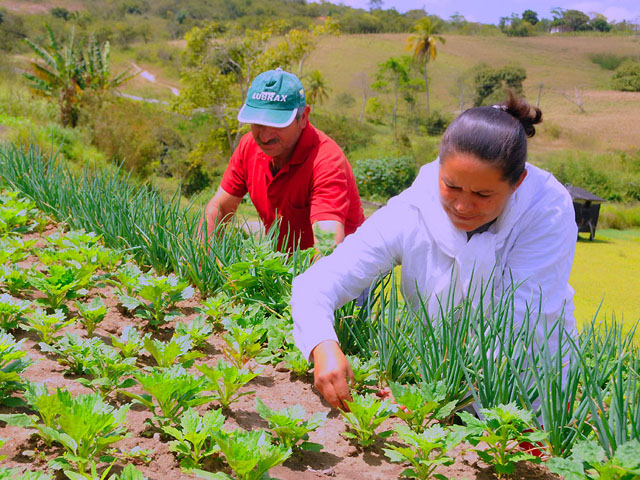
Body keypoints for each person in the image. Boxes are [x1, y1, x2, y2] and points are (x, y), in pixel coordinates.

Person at [291, 93, 578, 410]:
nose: (462, 206)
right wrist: (322, 344)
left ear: (518, 182)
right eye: (451, 186)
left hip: (526, 391)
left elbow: (521, 332)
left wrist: (438, 397)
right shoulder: (415, 207)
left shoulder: (546, 210)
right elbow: (319, 282)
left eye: (483, 194)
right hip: (437, 387)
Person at [201, 68, 365, 252]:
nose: (264, 136)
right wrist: (201, 262)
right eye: (257, 123)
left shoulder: (326, 161)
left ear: (302, 118)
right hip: (285, 268)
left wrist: (311, 280)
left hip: (339, 274)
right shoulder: (249, 146)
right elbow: (220, 208)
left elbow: (328, 244)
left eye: (276, 123)